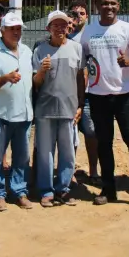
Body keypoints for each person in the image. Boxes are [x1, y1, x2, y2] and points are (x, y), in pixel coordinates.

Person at [80, 0, 129, 208]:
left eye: (113, 3)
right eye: (104, 3)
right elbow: (84, 63)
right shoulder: (89, 31)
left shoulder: (127, 29)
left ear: (118, 6)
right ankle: (108, 188)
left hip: (125, 96)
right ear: (97, 6)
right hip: (97, 96)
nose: (109, 7)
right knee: (104, 143)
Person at [0, 11, 34, 211]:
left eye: (19, 29)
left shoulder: (27, 51)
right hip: (1, 115)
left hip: (24, 114)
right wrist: (5, 78)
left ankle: (19, 191)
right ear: (2, 30)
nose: (16, 32)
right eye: (12, 29)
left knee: (21, 158)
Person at [32, 11, 86, 207]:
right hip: (45, 109)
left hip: (69, 109)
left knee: (67, 152)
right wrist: (42, 70)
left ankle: (63, 189)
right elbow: (36, 83)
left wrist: (80, 104)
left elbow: (81, 78)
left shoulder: (77, 49)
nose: (60, 28)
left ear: (68, 27)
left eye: (63, 25)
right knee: (45, 152)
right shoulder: (40, 51)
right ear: (48, 28)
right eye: (55, 25)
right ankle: (46, 191)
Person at [68, 0, 100, 183]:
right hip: (69, 94)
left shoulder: (90, 36)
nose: (78, 17)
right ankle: (69, 171)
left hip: (88, 94)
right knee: (69, 136)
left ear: (87, 17)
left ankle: (94, 170)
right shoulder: (64, 36)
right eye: (74, 13)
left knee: (91, 132)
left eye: (81, 13)